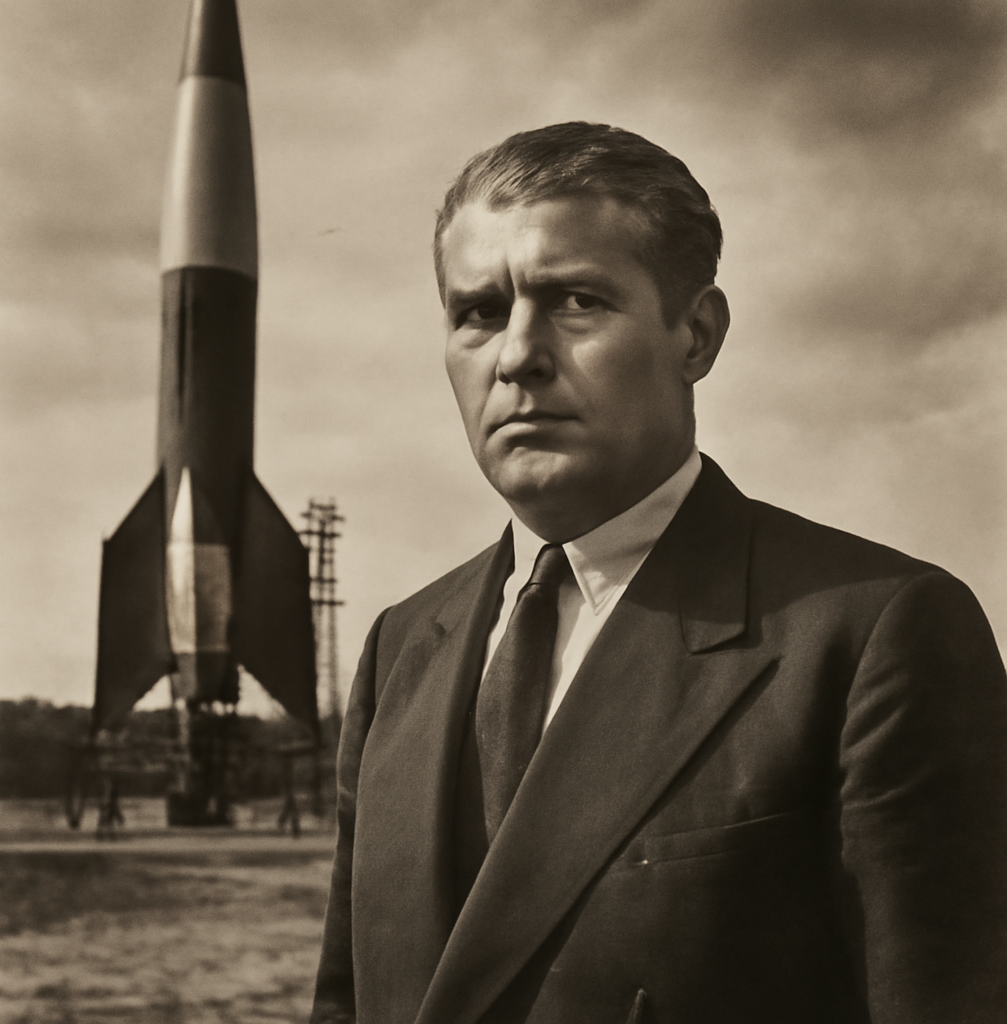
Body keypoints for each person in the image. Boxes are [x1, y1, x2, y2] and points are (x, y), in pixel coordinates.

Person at [310, 122, 1007, 1024]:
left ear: (698, 335)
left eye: (575, 302)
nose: (517, 355)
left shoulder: (873, 635)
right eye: (478, 312)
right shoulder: (402, 646)